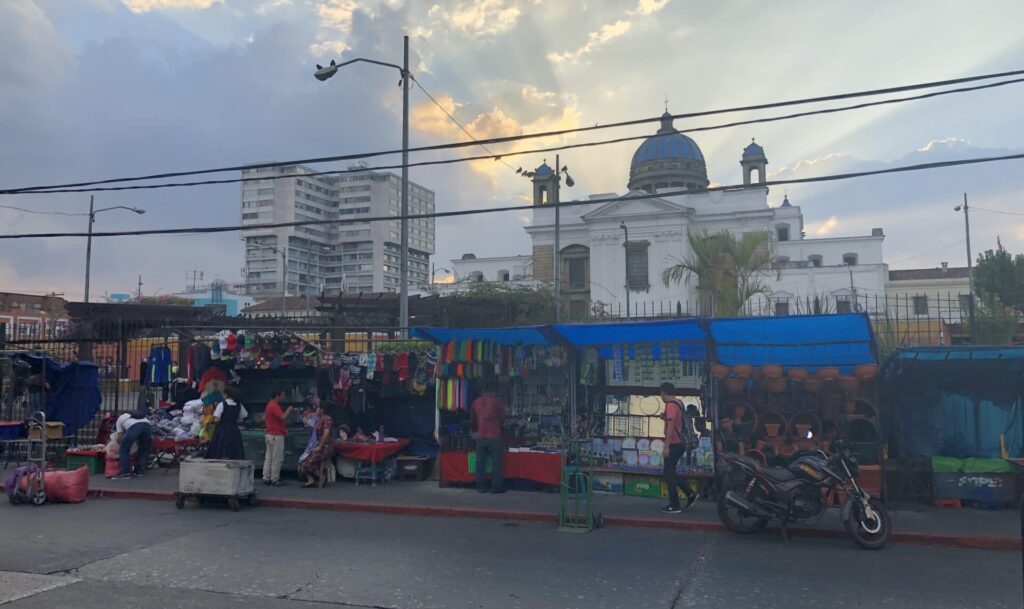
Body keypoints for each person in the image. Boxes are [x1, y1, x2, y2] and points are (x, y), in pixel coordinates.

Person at [659, 382, 698, 513]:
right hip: (681, 443)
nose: (661, 397)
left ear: (664, 393)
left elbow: (671, 428)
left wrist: (666, 446)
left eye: (661, 394)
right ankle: (690, 494)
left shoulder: (670, 405)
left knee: (668, 473)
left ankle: (674, 504)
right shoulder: (679, 403)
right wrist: (664, 417)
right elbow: (677, 420)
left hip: (674, 443)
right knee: (671, 471)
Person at [470, 383, 506, 494]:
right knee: (496, 463)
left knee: (480, 462)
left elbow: (473, 421)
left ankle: (481, 487)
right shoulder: (497, 401)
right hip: (494, 435)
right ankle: (496, 487)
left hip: (481, 436)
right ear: (493, 392)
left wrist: (478, 430)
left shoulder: (475, 402)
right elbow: (503, 418)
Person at [262, 389, 294, 486]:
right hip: (276, 436)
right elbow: (282, 417)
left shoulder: (269, 405)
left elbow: (277, 421)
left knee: (268, 458)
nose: (283, 397)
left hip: (270, 434)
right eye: (282, 395)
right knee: (277, 458)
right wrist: (289, 410)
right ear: (277, 395)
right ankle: (274, 479)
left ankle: (266, 477)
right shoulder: (274, 406)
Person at [206, 386, 247, 460]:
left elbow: (217, 419)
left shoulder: (222, 404)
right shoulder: (239, 405)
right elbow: (242, 418)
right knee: (235, 449)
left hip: (222, 430)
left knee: (220, 449)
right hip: (234, 430)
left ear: (226, 395)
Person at [298, 405, 334, 488]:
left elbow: (326, 433)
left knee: (306, 463)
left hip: (325, 447)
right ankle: (311, 479)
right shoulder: (318, 419)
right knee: (301, 461)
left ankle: (321, 477)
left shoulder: (327, 419)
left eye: (318, 408)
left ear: (322, 409)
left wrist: (320, 446)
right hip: (316, 445)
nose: (316, 410)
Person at [111, 411, 154, 480]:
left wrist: (120, 443)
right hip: (148, 427)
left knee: (123, 450)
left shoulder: (119, 419)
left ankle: (125, 473)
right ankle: (140, 471)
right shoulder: (136, 415)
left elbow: (120, 437)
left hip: (135, 428)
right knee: (142, 450)